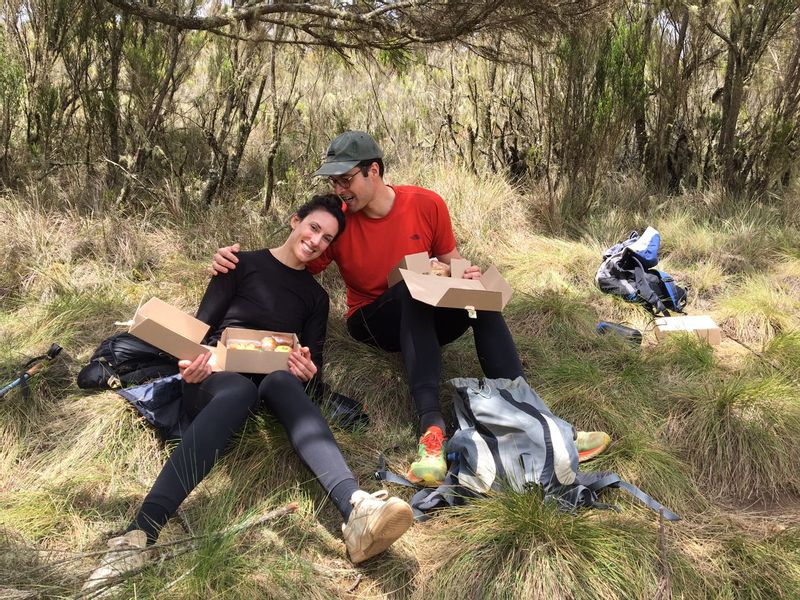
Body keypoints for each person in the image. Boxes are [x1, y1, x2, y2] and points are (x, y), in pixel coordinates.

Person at [211, 132, 611, 487]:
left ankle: (539, 420)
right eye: (333, 181)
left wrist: (465, 273)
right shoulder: (339, 222)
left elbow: (452, 261)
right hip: (372, 319)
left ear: (374, 171)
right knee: (409, 291)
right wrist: (238, 264)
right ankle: (430, 432)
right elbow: (295, 260)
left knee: (482, 302)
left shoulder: (426, 203)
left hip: (426, 313)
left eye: (346, 179)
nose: (339, 189)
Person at [83, 195, 413, 593]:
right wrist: (191, 365)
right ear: (295, 221)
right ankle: (139, 534)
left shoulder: (315, 298)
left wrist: (306, 370)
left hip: (274, 384)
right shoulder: (240, 264)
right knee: (238, 390)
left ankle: (355, 507)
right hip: (217, 376)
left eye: (326, 239)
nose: (316, 241)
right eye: (313, 228)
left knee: (280, 381)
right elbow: (198, 331)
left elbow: (312, 368)